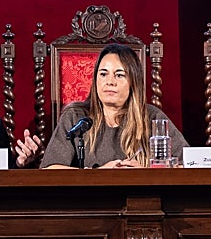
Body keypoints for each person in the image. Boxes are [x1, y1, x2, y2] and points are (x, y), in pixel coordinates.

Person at [40, 42, 187, 169]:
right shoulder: (76, 117)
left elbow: (188, 165)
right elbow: (50, 169)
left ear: (133, 82)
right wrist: (98, 174)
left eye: (119, 75)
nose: (110, 82)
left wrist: (144, 172)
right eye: (103, 74)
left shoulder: (151, 117)